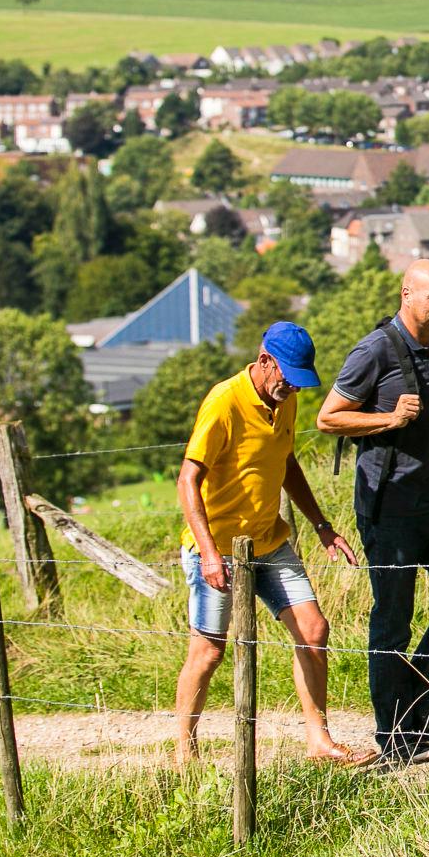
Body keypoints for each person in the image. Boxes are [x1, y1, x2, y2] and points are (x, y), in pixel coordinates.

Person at [174, 322, 370, 768]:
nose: (293, 387)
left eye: (301, 379)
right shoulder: (223, 402)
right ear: (264, 361)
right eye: (288, 376)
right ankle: (184, 751)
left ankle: (319, 742)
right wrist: (207, 552)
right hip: (218, 546)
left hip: (269, 540)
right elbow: (188, 480)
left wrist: (321, 525)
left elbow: (286, 462)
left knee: (314, 630)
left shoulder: (287, 398)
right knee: (209, 651)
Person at [318, 258, 429, 764]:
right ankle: (393, 734)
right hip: (388, 505)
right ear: (406, 294)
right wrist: (388, 418)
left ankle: (413, 707)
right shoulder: (375, 350)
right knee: (393, 621)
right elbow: (329, 418)